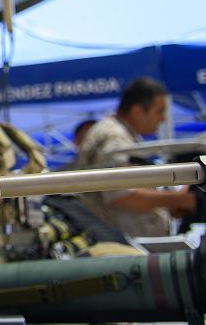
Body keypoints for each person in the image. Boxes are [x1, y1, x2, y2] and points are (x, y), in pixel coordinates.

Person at [75, 78, 194, 237]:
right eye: (159, 111)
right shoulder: (114, 137)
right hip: (122, 249)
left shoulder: (120, 134)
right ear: (137, 111)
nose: (163, 118)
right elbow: (122, 195)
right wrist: (179, 199)